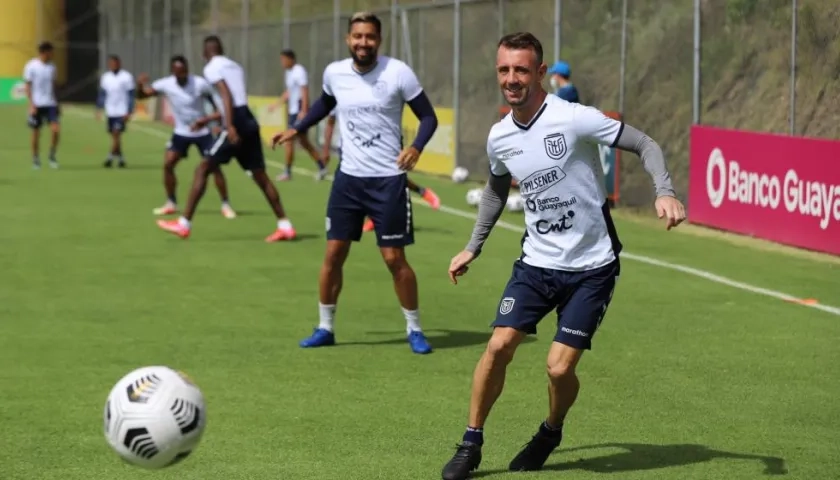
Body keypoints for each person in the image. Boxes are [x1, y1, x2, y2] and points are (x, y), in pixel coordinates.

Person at [439, 32, 686, 480]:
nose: (511, 79)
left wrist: (664, 191)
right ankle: (470, 443)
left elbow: (645, 144)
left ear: (539, 71)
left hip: (592, 267)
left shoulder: (574, 118)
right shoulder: (500, 137)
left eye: (520, 70)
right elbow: (496, 190)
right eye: (503, 70)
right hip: (536, 264)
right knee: (498, 346)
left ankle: (551, 430)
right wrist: (473, 245)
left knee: (558, 368)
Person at [272, 12, 439, 354]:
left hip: (388, 182)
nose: (364, 42)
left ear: (379, 40)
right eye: (358, 36)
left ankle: (414, 329)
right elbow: (325, 102)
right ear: (349, 39)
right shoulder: (335, 73)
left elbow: (428, 116)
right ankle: (325, 327)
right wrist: (298, 128)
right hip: (348, 181)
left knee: (394, 258)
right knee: (334, 254)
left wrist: (416, 147)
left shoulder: (397, 73)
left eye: (370, 37)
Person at [156, 36, 296, 241]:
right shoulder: (236, 66)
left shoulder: (211, 68)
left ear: (205, 53)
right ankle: (285, 225)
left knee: (203, 168)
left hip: (236, 121)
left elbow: (226, 95)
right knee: (260, 176)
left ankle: (183, 223)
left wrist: (229, 125)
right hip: (248, 119)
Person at [136, 55, 237, 219]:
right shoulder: (166, 83)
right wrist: (140, 84)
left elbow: (220, 109)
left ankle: (226, 204)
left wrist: (207, 120)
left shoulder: (200, 84)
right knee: (168, 164)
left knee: (214, 167)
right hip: (181, 132)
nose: (182, 76)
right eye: (178, 73)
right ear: (172, 72)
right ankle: (171, 202)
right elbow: (142, 96)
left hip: (202, 133)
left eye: (184, 72)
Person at [322, 109, 441, 232]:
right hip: (348, 149)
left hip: (374, 145)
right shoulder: (338, 93)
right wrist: (326, 149)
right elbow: (330, 121)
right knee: (356, 182)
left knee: (391, 176)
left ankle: (422, 192)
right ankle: (370, 217)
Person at [276, 49, 329, 182]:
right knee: (304, 143)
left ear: (291, 59)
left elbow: (304, 90)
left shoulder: (299, 71)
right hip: (293, 111)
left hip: (298, 111)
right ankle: (322, 166)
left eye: (283, 59)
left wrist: (304, 110)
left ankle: (287, 172)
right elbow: (289, 92)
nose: (282, 63)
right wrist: (277, 103)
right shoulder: (289, 73)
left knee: (289, 141)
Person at [24, 42, 60, 169]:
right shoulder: (31, 66)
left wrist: (57, 103)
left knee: (56, 130)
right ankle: (35, 159)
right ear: (44, 52)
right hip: (37, 105)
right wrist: (31, 104)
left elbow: (54, 86)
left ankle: (52, 155)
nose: (52, 54)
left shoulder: (52, 67)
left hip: (50, 104)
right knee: (36, 133)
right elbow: (28, 86)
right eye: (50, 52)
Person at [95, 55, 135, 168]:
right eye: (111, 63)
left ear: (119, 64)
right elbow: (102, 94)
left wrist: (129, 111)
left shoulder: (126, 77)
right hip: (110, 111)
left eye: (115, 63)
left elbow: (131, 95)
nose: (113, 65)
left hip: (122, 111)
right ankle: (121, 158)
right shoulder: (106, 77)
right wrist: (99, 109)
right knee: (114, 136)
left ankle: (110, 158)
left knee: (117, 134)